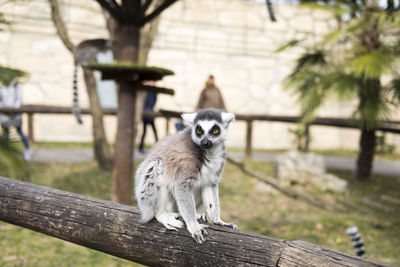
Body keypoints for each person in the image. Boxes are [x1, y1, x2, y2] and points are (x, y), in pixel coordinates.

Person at [0, 80, 31, 161]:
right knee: (6, 134)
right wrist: (5, 110)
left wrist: (13, 110)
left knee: (19, 131)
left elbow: (19, 98)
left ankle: (27, 150)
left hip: (16, 113)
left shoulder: (16, 85)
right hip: (4, 113)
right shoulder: (1, 85)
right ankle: (7, 153)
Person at [139, 87, 158, 153]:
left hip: (151, 114)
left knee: (154, 131)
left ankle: (157, 146)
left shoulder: (153, 93)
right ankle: (141, 148)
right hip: (146, 114)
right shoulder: (146, 92)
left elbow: (154, 100)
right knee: (145, 132)